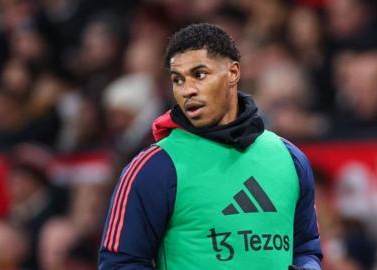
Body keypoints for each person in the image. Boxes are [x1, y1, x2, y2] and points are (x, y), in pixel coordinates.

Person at [98, 23, 322, 270]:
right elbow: (120, 263)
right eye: (178, 80)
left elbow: (306, 247)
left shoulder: (289, 158)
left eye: (199, 74)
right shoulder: (154, 167)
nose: (187, 90)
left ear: (233, 73)